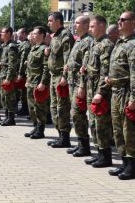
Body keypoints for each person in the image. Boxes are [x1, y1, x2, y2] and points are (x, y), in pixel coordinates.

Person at [107, 11, 135, 179]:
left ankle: (132, 167)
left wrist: (134, 98)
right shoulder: (120, 43)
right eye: (119, 19)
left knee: (130, 130)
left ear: (133, 22)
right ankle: (124, 163)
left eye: (124, 20)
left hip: (127, 92)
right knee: (118, 130)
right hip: (116, 91)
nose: (120, 22)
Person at [79, 15, 114, 167]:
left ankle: (105, 156)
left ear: (101, 26)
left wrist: (100, 91)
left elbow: (105, 71)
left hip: (100, 91)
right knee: (93, 123)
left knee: (101, 125)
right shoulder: (94, 43)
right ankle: (99, 153)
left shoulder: (106, 44)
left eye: (92, 26)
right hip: (90, 88)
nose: (90, 29)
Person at [64, 15, 93, 157]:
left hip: (80, 83)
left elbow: (85, 66)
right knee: (75, 114)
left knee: (77, 114)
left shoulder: (88, 41)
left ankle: (85, 145)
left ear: (86, 25)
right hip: (72, 82)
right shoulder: (79, 40)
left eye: (77, 23)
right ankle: (81, 144)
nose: (74, 25)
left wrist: (82, 85)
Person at [46, 12, 75, 148]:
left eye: (50, 21)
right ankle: (60, 135)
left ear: (58, 21)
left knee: (62, 107)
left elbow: (67, 58)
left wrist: (64, 76)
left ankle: (65, 137)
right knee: (54, 107)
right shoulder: (55, 36)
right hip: (53, 76)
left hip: (60, 77)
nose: (48, 23)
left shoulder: (65, 35)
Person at [24, 26, 50, 139]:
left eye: (34, 33)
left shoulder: (44, 49)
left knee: (40, 107)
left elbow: (46, 67)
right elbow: (30, 66)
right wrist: (27, 79)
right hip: (31, 81)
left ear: (41, 35)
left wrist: (43, 82)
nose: (32, 35)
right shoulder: (34, 48)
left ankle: (40, 130)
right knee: (31, 107)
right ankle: (35, 127)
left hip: (38, 83)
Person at [0, 27, 19, 126]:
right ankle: (6, 117)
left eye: (3, 32)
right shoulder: (4, 46)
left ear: (9, 33)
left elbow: (12, 64)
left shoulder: (11, 46)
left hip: (7, 76)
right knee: (4, 97)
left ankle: (11, 118)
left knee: (9, 98)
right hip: (3, 74)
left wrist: (8, 78)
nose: (1, 34)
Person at [16, 28, 31, 117]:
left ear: (24, 34)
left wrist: (20, 73)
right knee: (22, 92)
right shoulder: (22, 44)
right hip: (22, 71)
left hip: (24, 72)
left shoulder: (26, 45)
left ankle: (25, 109)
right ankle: (24, 108)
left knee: (24, 92)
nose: (18, 36)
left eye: (19, 34)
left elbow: (22, 60)